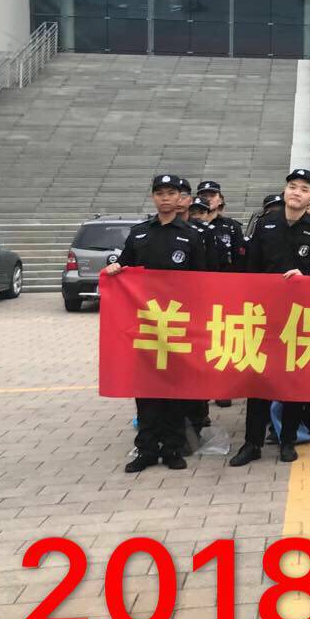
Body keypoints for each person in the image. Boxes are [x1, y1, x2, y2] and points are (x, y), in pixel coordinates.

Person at [230, 169, 310, 467]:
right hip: (264, 315)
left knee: (292, 380)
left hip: (300, 316)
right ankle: (252, 443)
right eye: (292, 186)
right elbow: (250, 269)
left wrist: (306, 275)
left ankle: (287, 440)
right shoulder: (265, 225)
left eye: (304, 189)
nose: (296, 192)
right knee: (258, 379)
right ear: (285, 190)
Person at [104, 174, 207, 473]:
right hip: (145, 324)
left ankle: (173, 448)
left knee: (174, 388)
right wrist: (115, 269)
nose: (165, 198)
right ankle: (146, 449)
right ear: (153, 197)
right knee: (146, 388)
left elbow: (203, 281)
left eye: (171, 193)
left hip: (177, 324)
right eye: (159, 193)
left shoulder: (191, 236)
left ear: (180, 198)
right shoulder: (139, 234)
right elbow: (125, 268)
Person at [198, 181, 246, 271]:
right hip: (196, 274)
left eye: (212, 195)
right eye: (204, 196)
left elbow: (238, 257)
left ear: (220, 200)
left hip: (224, 275)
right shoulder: (189, 225)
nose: (208, 199)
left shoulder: (232, 225)